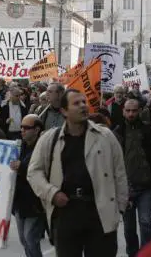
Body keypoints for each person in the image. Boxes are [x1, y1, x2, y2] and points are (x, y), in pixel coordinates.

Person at [28, 89, 128, 257]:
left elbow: (119, 172)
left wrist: (120, 209)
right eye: (76, 103)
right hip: (66, 213)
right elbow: (34, 172)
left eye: (84, 102)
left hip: (99, 212)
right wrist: (52, 193)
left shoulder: (105, 136)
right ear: (64, 111)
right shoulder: (50, 138)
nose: (83, 106)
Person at [114, 98, 151, 256]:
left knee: (146, 224)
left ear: (139, 111)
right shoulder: (117, 133)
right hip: (126, 189)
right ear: (123, 111)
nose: (131, 114)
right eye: (128, 111)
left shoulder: (149, 131)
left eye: (134, 110)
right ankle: (133, 253)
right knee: (129, 228)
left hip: (145, 187)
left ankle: (147, 254)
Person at [9, 114, 45, 257]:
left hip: (35, 201)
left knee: (30, 238)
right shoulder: (18, 146)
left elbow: (41, 169)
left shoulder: (43, 147)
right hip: (19, 201)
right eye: (21, 127)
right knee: (24, 239)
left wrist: (22, 167)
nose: (22, 130)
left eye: (27, 128)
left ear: (36, 130)